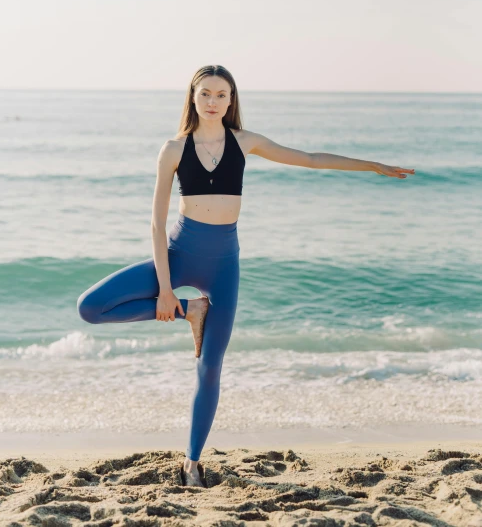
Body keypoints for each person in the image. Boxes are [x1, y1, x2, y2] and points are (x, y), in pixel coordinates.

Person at [77, 64, 415, 487]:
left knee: (210, 367)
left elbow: (309, 159)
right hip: (181, 253)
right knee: (90, 307)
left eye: (222, 94)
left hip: (223, 265)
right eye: (206, 94)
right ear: (193, 97)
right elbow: (155, 224)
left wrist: (372, 166)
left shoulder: (245, 142)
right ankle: (190, 312)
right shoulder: (173, 149)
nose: (214, 101)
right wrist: (168, 293)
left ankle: (192, 462)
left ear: (232, 99)